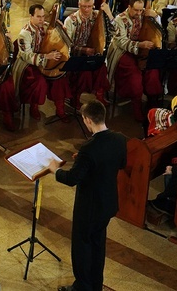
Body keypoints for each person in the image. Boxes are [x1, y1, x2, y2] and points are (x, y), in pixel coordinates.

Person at [47, 101, 127, 291]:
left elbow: (72, 179)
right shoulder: (120, 139)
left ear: (88, 120)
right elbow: (120, 164)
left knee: (82, 247)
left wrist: (54, 171)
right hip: (107, 203)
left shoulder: (88, 149)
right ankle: (95, 285)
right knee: (98, 245)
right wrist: (86, 163)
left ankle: (82, 286)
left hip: (89, 207)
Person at [106, 0, 163, 124]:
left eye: (141, 10)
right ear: (129, 7)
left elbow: (158, 28)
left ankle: (152, 101)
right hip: (124, 51)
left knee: (152, 69)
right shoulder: (120, 19)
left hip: (143, 50)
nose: (138, 13)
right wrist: (139, 45)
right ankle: (136, 105)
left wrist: (155, 15)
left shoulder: (144, 15)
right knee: (133, 74)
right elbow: (121, 41)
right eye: (136, 10)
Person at [11, 4, 71, 121]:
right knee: (40, 81)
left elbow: (55, 37)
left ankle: (60, 109)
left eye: (43, 16)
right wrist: (46, 57)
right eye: (38, 17)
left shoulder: (46, 27)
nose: (42, 20)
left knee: (60, 77)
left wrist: (61, 30)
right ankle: (34, 106)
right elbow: (26, 56)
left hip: (46, 59)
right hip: (27, 64)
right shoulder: (24, 33)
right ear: (31, 16)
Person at [61, 0, 113, 106]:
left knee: (101, 68)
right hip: (77, 54)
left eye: (89, 6)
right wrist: (84, 50)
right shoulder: (71, 20)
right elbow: (67, 44)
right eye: (84, 6)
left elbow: (113, 31)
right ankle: (75, 97)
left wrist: (108, 13)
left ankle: (99, 94)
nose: (87, 9)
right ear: (79, 5)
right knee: (85, 72)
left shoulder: (97, 16)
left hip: (93, 52)